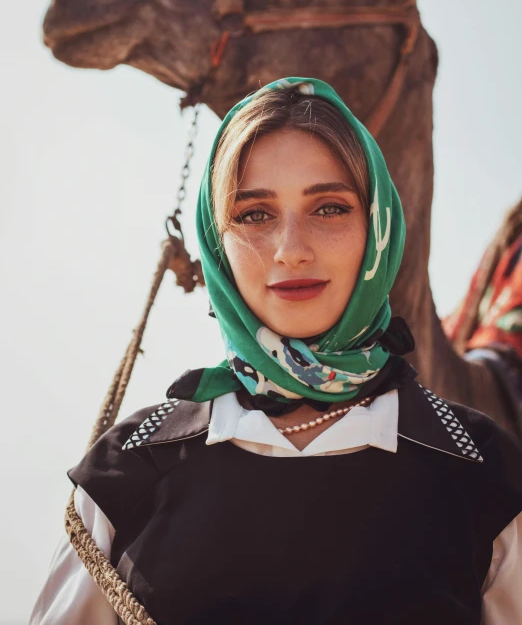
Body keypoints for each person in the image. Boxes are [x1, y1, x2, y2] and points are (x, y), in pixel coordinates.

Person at [31, 77, 522, 625]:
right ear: (216, 243)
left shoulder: (487, 475)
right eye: (254, 215)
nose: (292, 250)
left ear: (377, 225)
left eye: (330, 208)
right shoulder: (125, 472)